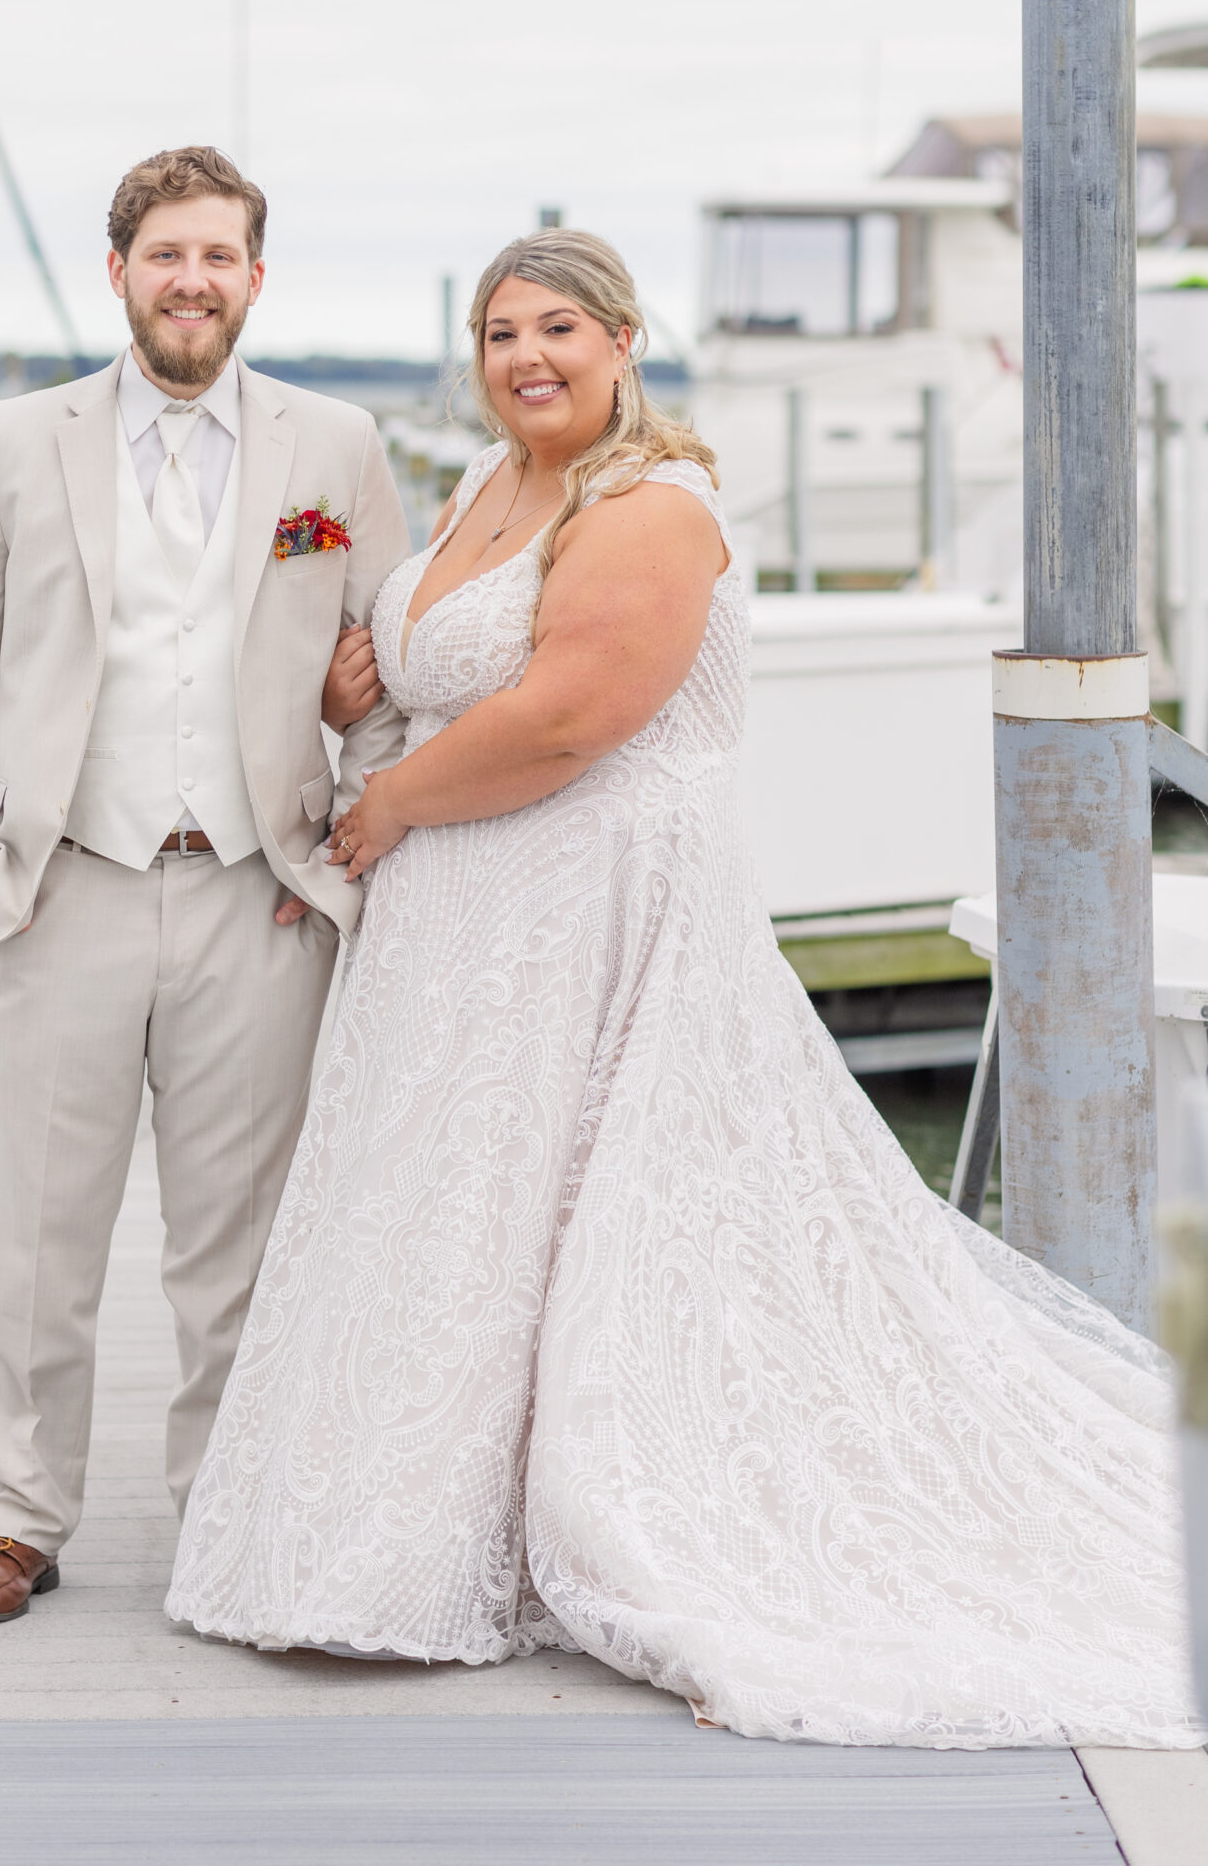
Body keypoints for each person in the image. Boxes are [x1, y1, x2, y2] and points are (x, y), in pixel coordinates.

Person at [168, 225, 1199, 1749]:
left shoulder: (651, 504)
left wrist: (381, 810)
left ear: (623, 342)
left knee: (576, 1210)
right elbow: (446, 656)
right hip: (462, 927)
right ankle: (408, 1519)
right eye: (502, 332)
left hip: (593, 906)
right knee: (461, 1209)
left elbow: (573, 716)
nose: (528, 357)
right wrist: (358, 684)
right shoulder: (486, 484)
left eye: (559, 331)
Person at [0, 144, 412, 1624]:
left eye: (219, 256)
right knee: (41, 1239)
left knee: (234, 1246)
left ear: (257, 276)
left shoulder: (335, 445)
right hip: (65, 887)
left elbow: (379, 676)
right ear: (117, 271)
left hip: (258, 896)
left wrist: (335, 854)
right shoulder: (16, 440)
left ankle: (224, 1514)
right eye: (165, 255)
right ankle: (18, 1516)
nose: (193, 281)